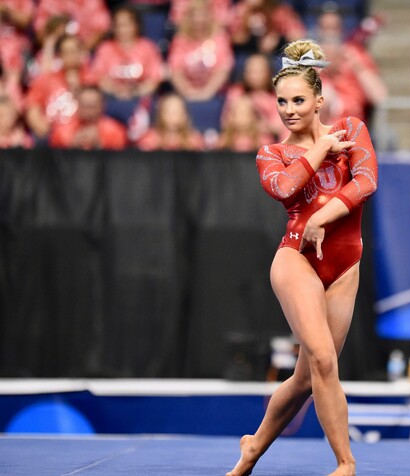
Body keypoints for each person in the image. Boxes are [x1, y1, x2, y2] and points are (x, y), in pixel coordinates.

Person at [226, 39, 378, 476]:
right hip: (296, 260)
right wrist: (319, 151)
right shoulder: (271, 152)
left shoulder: (352, 129)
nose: (289, 109)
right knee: (324, 359)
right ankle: (346, 464)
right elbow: (286, 188)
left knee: (307, 377)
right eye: (281, 101)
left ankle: (253, 448)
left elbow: (366, 181)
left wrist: (323, 217)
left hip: (345, 262)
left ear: (318, 100)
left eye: (298, 100)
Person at [90, 6, 163, 124]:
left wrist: (133, 92)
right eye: (119, 25)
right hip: (111, 100)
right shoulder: (105, 49)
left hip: (141, 100)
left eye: (127, 24)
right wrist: (117, 91)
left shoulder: (148, 47)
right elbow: (99, 78)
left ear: (136, 25)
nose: (123, 29)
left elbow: (154, 80)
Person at [25, 34, 95, 141]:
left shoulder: (91, 79)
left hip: (81, 133)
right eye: (66, 52)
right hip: (51, 133)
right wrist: (39, 125)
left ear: (81, 53)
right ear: (60, 55)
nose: (70, 55)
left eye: (74, 51)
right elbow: (32, 106)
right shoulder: (46, 79)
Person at [167, 0, 234, 103]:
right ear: (188, 17)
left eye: (203, 15)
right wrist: (188, 92)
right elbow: (175, 70)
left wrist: (207, 92)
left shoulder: (220, 38)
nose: (199, 19)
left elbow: (223, 69)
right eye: (194, 15)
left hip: (216, 95)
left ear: (210, 16)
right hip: (186, 96)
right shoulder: (180, 40)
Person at [49, 86, 127, 149]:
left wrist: (100, 144)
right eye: (84, 106)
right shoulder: (62, 131)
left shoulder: (114, 131)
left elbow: (119, 158)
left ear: (102, 106)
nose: (87, 111)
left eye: (91, 106)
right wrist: (72, 145)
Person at [135, 93, 204, 151]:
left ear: (185, 115)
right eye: (169, 111)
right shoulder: (150, 139)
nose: (173, 115)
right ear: (161, 114)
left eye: (177, 111)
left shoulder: (193, 140)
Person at [33, 0, 112, 51]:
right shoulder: (48, 2)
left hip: (85, 51)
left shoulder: (92, 2)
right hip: (54, 52)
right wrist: (54, 34)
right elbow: (40, 33)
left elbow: (101, 29)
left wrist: (81, 51)